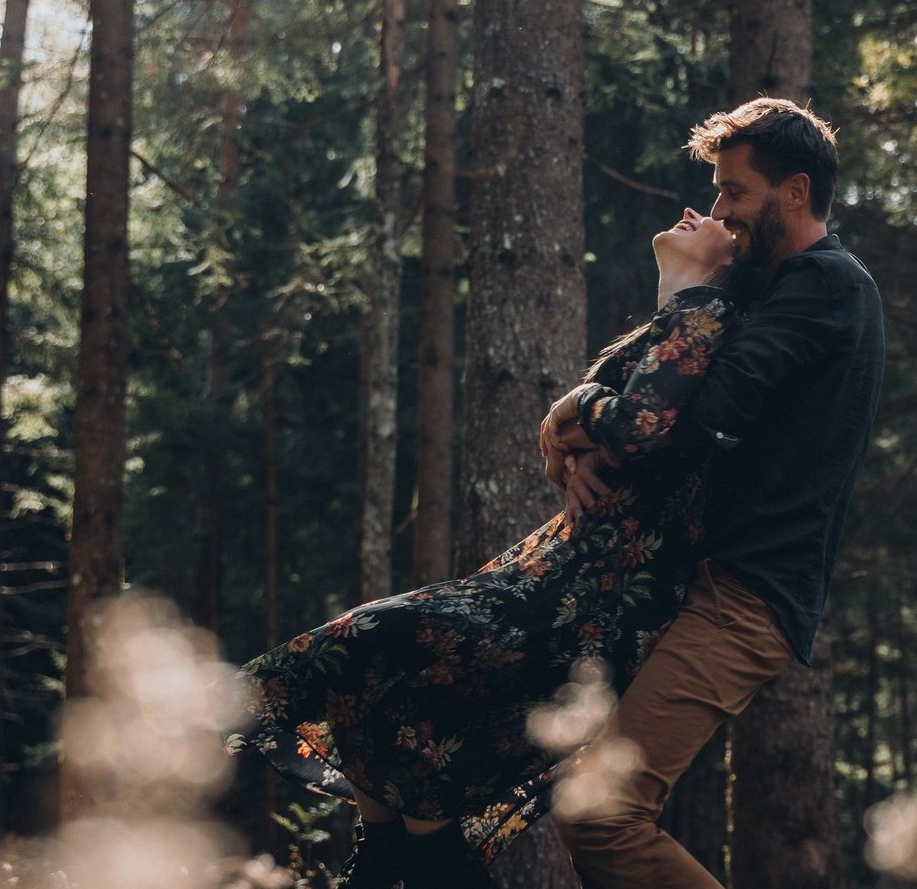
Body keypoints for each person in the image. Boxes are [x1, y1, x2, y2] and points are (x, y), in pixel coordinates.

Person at [232, 208, 761, 889]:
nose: (696, 212)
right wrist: (572, 449)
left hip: (599, 599)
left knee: (367, 641)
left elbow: (638, 425)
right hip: (563, 572)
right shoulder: (674, 322)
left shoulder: (709, 310)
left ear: (734, 254)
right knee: (383, 702)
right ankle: (394, 857)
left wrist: (581, 408)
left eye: (718, 215)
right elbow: (586, 447)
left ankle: (394, 858)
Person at [545, 98, 885, 889]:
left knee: (602, 814)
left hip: (746, 600)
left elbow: (693, 420)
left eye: (735, 193)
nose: (720, 213)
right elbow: (648, 392)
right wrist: (576, 427)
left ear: (795, 193)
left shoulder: (824, 286)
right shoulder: (766, 285)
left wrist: (579, 415)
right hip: (689, 584)